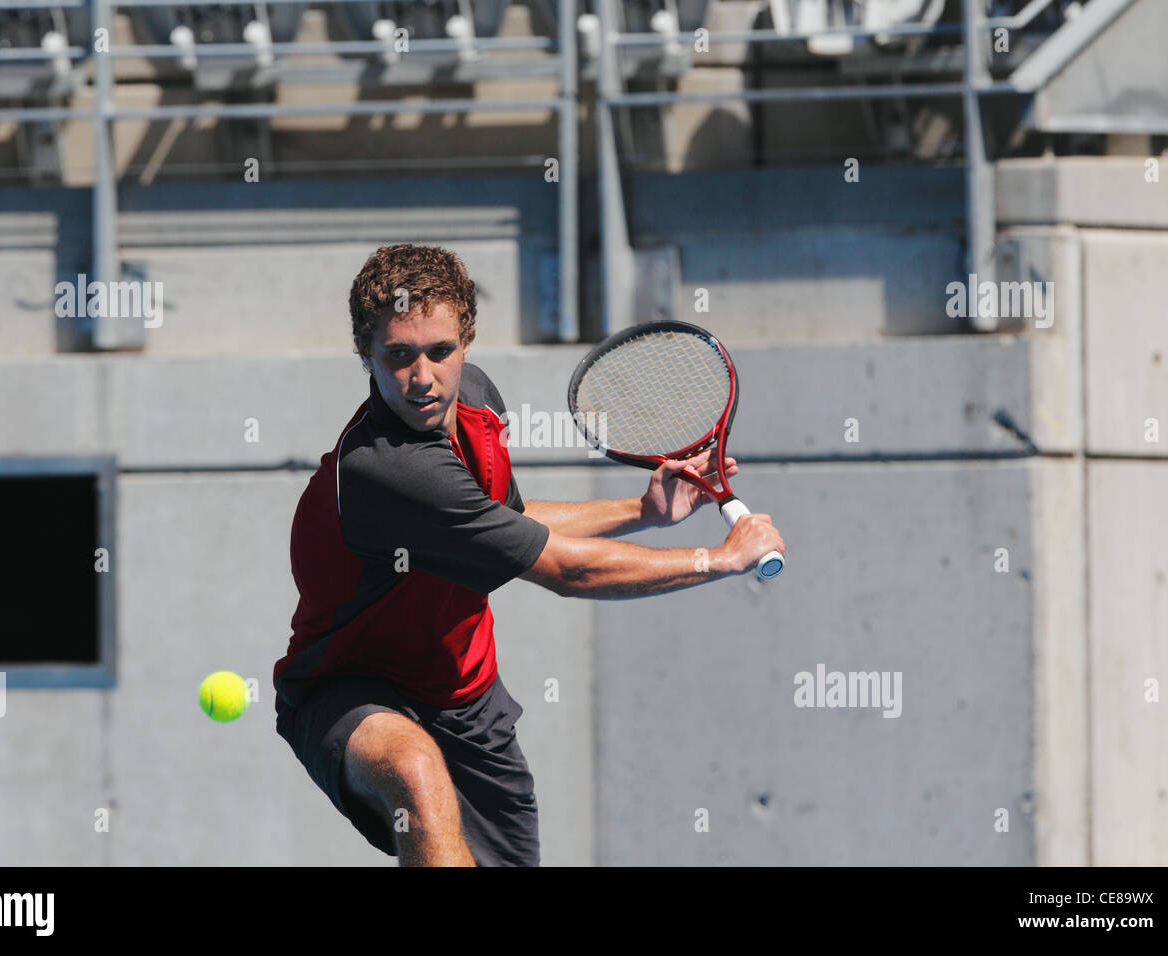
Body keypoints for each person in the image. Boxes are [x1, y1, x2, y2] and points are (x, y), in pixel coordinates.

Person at [273, 243, 785, 866]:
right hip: (347, 689)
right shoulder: (390, 471)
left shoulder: (479, 403)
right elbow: (568, 571)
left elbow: (508, 522)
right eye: (398, 355)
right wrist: (721, 559)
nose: (423, 376)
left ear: (467, 340)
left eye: (441, 351)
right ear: (366, 355)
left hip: (466, 694)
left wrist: (642, 512)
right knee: (414, 770)